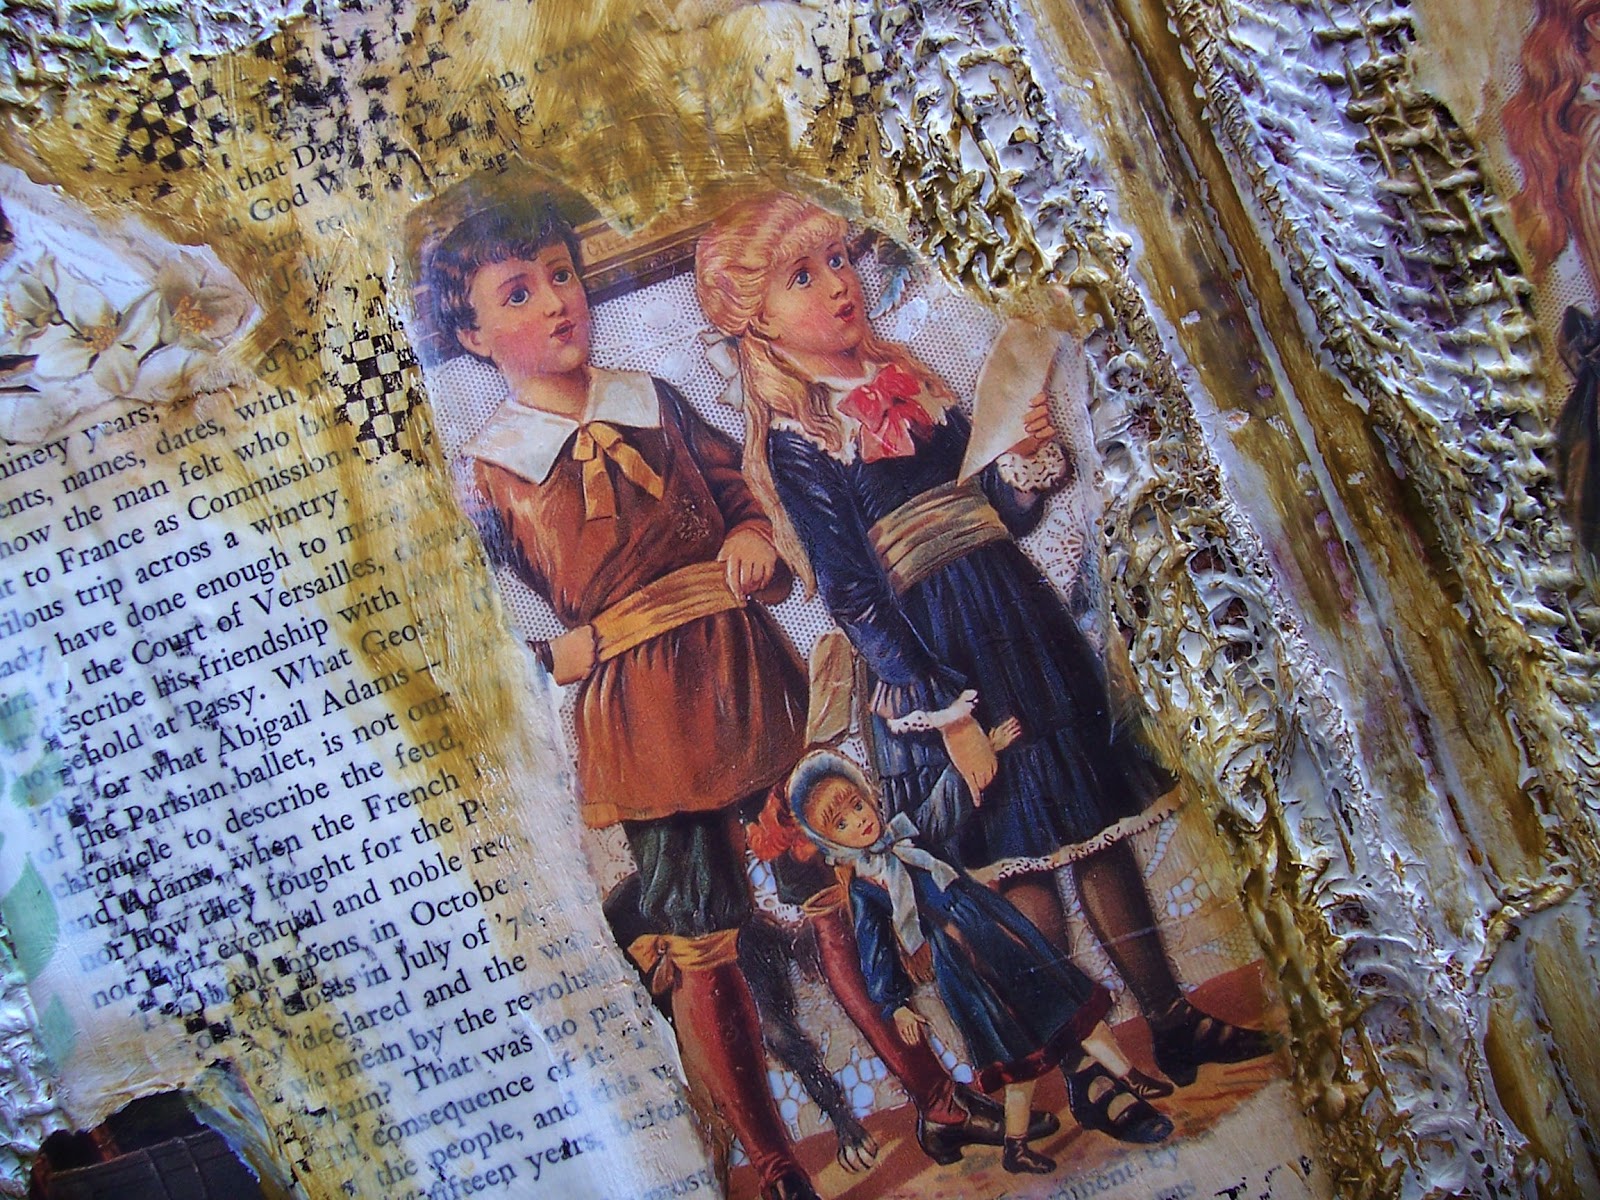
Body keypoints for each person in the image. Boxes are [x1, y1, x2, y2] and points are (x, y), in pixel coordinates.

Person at [694, 192, 1272, 1136]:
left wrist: (1021, 460)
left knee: (1094, 822)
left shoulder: (910, 380)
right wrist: (947, 711)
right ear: (758, 321)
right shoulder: (802, 441)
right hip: (934, 654)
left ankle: (1169, 1021)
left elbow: (999, 510)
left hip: (1013, 615)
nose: (838, 284)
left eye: (839, 260)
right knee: (1014, 858)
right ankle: (1079, 1069)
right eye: (803, 276)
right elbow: (852, 594)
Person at [425, 192, 818, 1200]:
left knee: (816, 857)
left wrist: (749, 537)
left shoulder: (652, 399)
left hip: (738, 665)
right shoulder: (489, 474)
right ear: (471, 335)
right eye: (519, 292)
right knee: (699, 928)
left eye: (563, 275)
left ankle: (923, 1076)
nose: (557, 301)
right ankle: (770, 1159)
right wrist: (557, 654)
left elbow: (737, 492)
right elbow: (472, 629)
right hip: (639, 713)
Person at [788, 749, 1173, 1174]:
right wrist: (895, 1004)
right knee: (1017, 1056)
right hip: (963, 964)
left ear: (869, 795)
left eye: (857, 806)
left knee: (1071, 1006)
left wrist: (966, 761)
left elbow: (943, 805)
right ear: (831, 843)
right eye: (841, 824)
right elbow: (875, 950)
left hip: (996, 930)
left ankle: (1130, 1076)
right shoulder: (865, 888)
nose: (858, 821)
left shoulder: (908, 831)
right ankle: (1016, 1145)